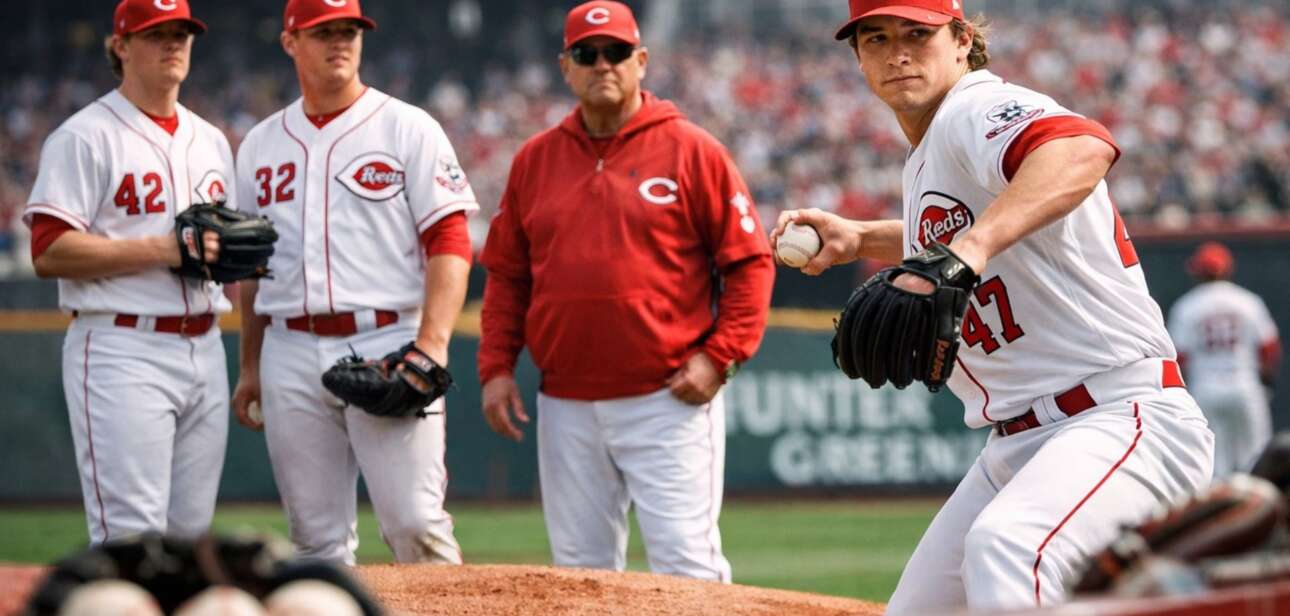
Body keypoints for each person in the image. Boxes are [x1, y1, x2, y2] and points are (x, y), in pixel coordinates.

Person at [771, 0, 1215, 611]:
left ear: (961, 40)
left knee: (1011, 548)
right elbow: (956, 232)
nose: (897, 52)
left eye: (916, 34)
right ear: (858, 57)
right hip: (1020, 444)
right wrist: (861, 238)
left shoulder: (973, 107)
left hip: (1116, 416)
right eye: (875, 39)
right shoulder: (932, 147)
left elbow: (1081, 149)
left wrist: (971, 250)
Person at [477, 0, 775, 582]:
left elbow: (750, 263)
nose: (602, 64)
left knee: (686, 567)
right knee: (580, 574)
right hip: (565, 402)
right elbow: (508, 276)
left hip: (667, 398)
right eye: (587, 54)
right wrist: (495, 367)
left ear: (641, 61)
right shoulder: (535, 160)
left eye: (615, 52)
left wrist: (719, 359)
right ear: (566, 67)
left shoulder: (693, 149)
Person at [231, 0, 474, 565]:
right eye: (323, 32)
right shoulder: (261, 144)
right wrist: (250, 364)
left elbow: (451, 242)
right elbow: (250, 268)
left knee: (417, 526)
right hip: (288, 347)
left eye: (349, 30)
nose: (340, 42)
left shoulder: (408, 126)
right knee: (316, 542)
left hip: (386, 339)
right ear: (291, 41)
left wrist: (431, 347)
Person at [22, 0, 236, 546]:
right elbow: (49, 251)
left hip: (205, 346)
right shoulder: (84, 135)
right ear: (120, 46)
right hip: (122, 346)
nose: (173, 44)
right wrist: (161, 250)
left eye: (182, 33)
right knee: (131, 539)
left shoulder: (209, 140)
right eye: (155, 33)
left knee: (189, 540)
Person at [1169, 242, 1281, 476]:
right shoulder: (1247, 301)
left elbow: (1178, 358)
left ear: (1198, 272)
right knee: (1256, 459)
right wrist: (1265, 380)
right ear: (1228, 269)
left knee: (1213, 463)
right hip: (1244, 384)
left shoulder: (1187, 306)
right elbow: (1269, 349)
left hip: (1206, 387)